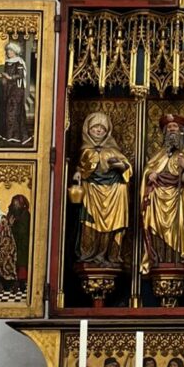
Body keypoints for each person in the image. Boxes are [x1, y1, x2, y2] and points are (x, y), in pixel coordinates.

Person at [73, 111, 133, 267]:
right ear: (88, 129)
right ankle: (89, 254)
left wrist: (121, 166)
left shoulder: (113, 150)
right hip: (92, 192)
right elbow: (81, 168)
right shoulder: (85, 151)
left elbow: (127, 168)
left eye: (102, 128)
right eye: (95, 127)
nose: (99, 131)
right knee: (89, 224)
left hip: (113, 193)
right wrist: (78, 174)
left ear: (108, 132)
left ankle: (107, 254)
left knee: (112, 224)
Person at [140, 114, 184, 271]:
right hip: (158, 199)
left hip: (178, 197)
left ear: (182, 133)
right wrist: (149, 175)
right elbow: (148, 170)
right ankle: (158, 258)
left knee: (179, 226)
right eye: (169, 129)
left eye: (176, 128)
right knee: (156, 229)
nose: (172, 131)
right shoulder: (159, 154)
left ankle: (178, 258)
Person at [0, 42, 31, 144]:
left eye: (10, 50)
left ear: (15, 51)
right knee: (7, 110)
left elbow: (20, 75)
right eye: (7, 50)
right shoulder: (7, 62)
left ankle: (17, 135)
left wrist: (9, 77)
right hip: (8, 89)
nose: (8, 52)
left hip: (16, 89)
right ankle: (9, 134)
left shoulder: (19, 62)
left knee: (14, 110)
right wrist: (4, 79)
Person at [8, 194, 31, 286]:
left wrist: (13, 225)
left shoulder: (25, 214)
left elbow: (23, 230)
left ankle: (21, 281)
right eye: (14, 203)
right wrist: (10, 224)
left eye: (17, 203)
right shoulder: (11, 213)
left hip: (22, 242)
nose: (15, 205)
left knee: (21, 261)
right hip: (12, 240)